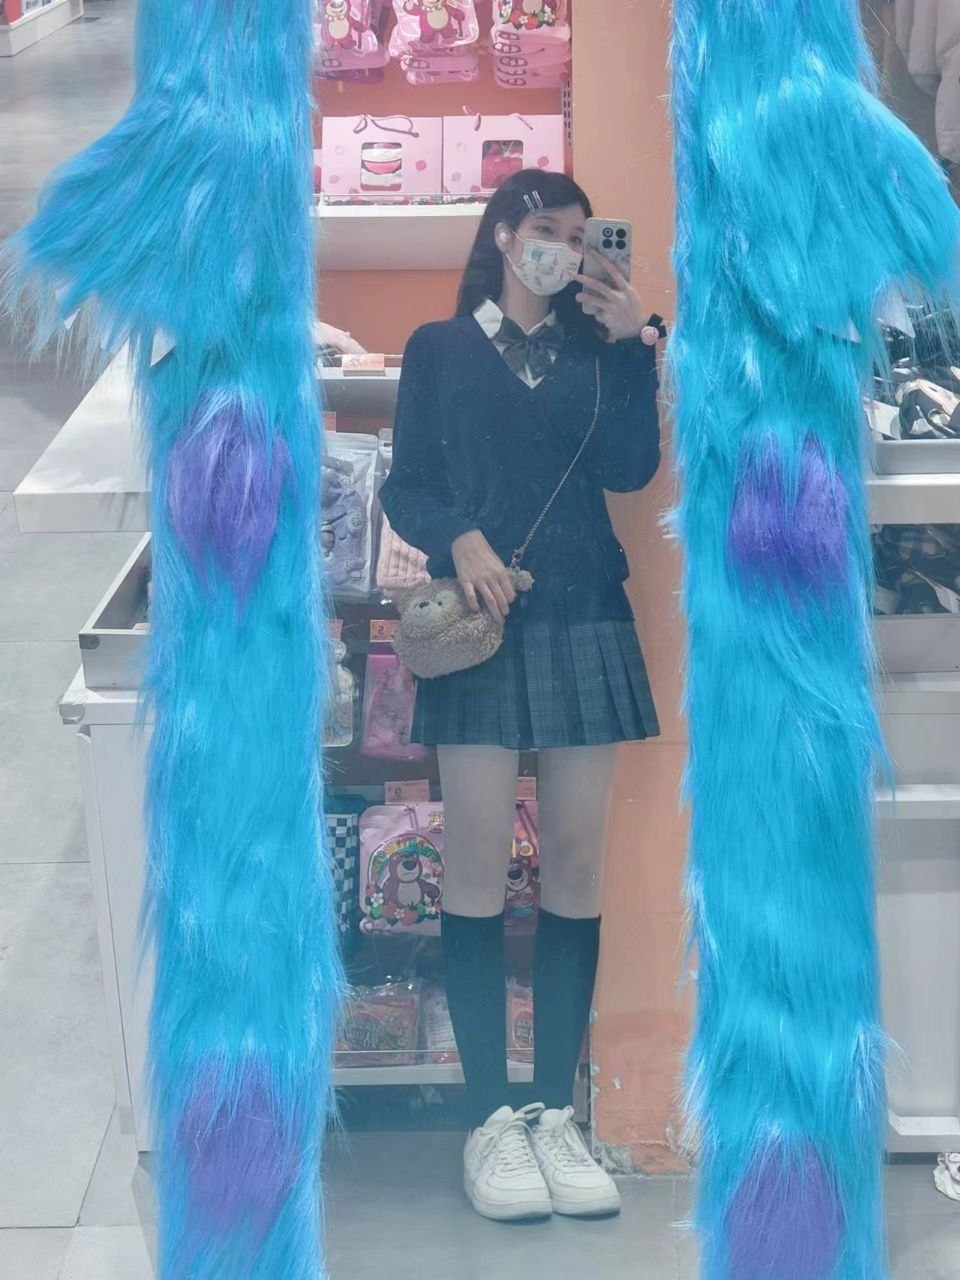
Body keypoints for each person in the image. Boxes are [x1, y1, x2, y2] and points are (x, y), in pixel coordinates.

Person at [378, 169, 661, 1222]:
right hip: (481, 625)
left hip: (586, 611)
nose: (564, 249)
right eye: (547, 229)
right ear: (503, 233)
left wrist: (633, 348)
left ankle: (552, 1113)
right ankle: (489, 1118)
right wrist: (458, 536)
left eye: (580, 236)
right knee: (475, 862)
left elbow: (630, 471)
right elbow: (408, 482)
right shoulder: (439, 348)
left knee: (577, 865)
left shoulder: (600, 350)